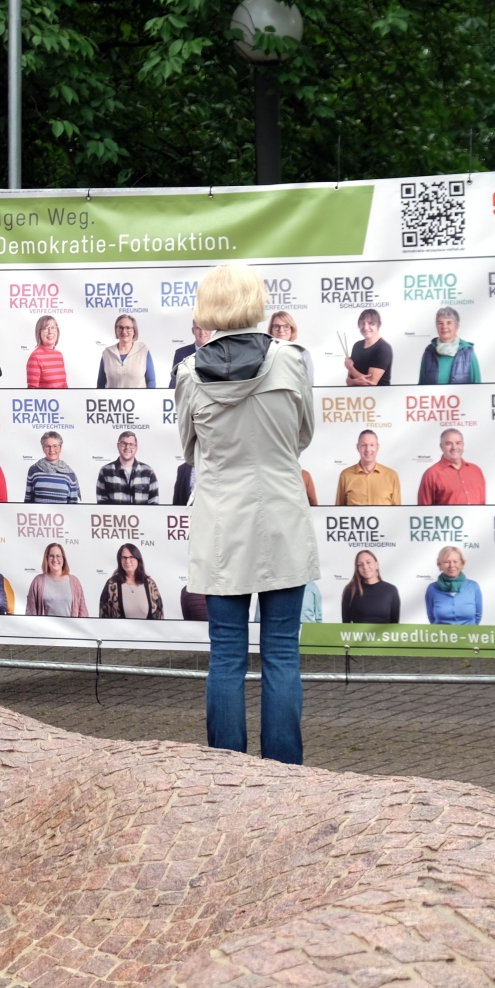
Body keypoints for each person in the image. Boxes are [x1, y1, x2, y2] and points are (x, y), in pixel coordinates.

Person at [175, 262, 319, 765]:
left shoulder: (190, 373)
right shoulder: (293, 361)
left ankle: (226, 777)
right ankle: (284, 776)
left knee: (227, 656)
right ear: (256, 302)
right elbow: (304, 436)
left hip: (221, 526)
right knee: (282, 653)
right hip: (281, 515)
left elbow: (189, 448)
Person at [417, 429, 486, 505]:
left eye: (458, 443)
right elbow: (423, 510)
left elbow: (482, 504)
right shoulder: (431, 474)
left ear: (463, 445)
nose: (454, 447)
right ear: (441, 446)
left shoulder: (476, 470)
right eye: (448, 443)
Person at [334, 429, 402, 506]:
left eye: (372, 445)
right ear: (358, 447)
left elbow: (397, 512)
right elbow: (338, 510)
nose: (368, 449)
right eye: (363, 445)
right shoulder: (345, 475)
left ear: (377, 447)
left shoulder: (391, 475)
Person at [98, 543, 165, 618]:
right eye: (124, 558)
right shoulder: (111, 584)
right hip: (118, 630)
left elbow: (160, 615)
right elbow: (103, 615)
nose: (127, 561)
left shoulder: (150, 583)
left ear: (138, 559)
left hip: (147, 629)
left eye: (131, 557)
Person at [417, 307, 481, 385]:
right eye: (440, 323)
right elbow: (421, 386)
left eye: (449, 323)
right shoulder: (429, 352)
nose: (444, 327)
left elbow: (478, 387)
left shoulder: (467, 352)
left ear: (457, 327)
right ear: (436, 326)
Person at [24, 542, 89, 616]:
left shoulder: (75, 582)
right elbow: (30, 611)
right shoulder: (37, 581)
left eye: (58, 556)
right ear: (47, 559)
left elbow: (83, 612)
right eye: (51, 556)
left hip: (69, 627)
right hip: (44, 627)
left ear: (63, 559)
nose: (55, 559)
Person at [95, 431, 159, 504]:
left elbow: (154, 505)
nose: (127, 447)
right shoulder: (105, 471)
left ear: (136, 448)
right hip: (116, 515)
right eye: (123, 444)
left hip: (141, 515)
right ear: (118, 446)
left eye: (131, 444)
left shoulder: (148, 471)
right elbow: (101, 505)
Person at [424, 545, 482, 624]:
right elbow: (431, 617)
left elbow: (478, 616)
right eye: (447, 562)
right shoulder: (432, 588)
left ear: (462, 564)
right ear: (440, 565)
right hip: (441, 634)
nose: (451, 565)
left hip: (468, 635)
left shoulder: (473, 586)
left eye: (455, 561)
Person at [97, 314, 157, 388]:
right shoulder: (107, 353)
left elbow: (151, 380)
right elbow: (100, 383)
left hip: (139, 399)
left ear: (134, 331)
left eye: (128, 328)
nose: (124, 331)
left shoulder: (143, 351)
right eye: (120, 328)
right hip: (113, 399)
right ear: (116, 330)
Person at [340, 550, 400, 623]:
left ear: (376, 565)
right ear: (357, 569)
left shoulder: (391, 590)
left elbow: (395, 626)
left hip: (384, 634)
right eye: (360, 564)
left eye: (368, 562)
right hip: (359, 634)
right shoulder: (350, 590)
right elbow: (345, 627)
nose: (365, 567)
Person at [23, 431, 81, 504]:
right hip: (39, 515)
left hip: (63, 515)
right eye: (47, 446)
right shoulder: (34, 470)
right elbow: (28, 500)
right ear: (43, 448)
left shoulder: (69, 474)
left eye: (55, 446)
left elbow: (73, 504)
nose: (51, 450)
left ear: (60, 448)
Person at [343, 308, 391, 387]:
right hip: (358, 397)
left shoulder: (383, 349)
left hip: (378, 397)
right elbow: (348, 380)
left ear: (378, 325)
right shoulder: (357, 346)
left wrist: (350, 367)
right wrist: (354, 381)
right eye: (362, 323)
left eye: (370, 323)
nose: (365, 327)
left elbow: (370, 384)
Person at [268, 311, 319, 385]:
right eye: (276, 326)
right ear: (271, 329)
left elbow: (309, 385)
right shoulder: (264, 352)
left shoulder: (303, 354)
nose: (281, 330)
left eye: (286, 326)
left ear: (292, 329)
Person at [25, 315, 69, 388]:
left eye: (53, 328)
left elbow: (64, 385)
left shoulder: (59, 355)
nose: (50, 332)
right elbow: (32, 392)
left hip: (62, 399)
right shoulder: (35, 357)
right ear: (39, 333)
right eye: (45, 328)